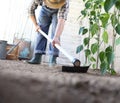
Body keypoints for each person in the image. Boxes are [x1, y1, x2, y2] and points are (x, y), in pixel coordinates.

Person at [27, 0, 69, 66]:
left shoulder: (65, 2)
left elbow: (62, 20)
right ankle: (37, 56)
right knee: (41, 30)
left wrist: (57, 36)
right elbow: (30, 10)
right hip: (44, 9)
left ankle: (53, 58)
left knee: (55, 32)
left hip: (58, 11)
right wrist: (36, 25)